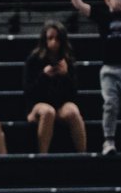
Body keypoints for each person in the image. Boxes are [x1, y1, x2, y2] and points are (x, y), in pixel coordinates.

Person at [63, 0, 121, 155]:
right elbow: (79, 5)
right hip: (109, 70)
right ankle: (108, 141)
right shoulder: (103, 15)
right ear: (108, 0)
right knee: (110, 104)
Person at [24, 20, 87, 154]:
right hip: (38, 106)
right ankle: (43, 156)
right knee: (48, 112)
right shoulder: (34, 59)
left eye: (57, 39)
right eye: (50, 38)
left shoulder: (67, 60)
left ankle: (83, 155)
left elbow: (74, 93)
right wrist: (44, 76)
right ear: (44, 40)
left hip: (60, 105)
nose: (54, 42)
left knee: (73, 111)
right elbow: (29, 91)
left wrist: (65, 75)